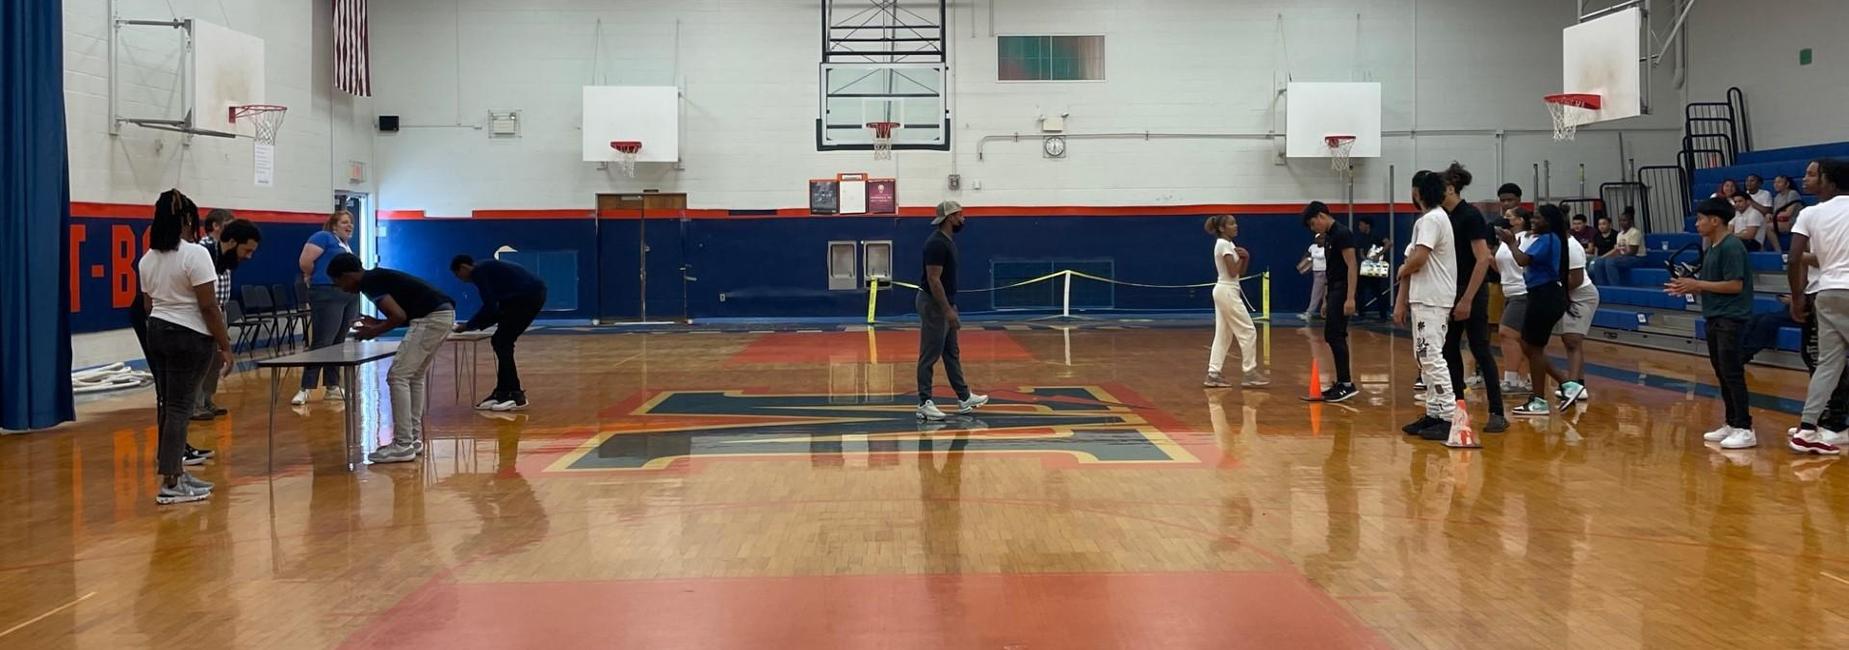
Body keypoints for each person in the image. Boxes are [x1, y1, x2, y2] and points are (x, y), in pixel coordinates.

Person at [137, 190, 234, 504]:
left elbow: (148, 305)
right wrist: (225, 345)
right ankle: (171, 481)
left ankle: (175, 472)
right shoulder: (195, 254)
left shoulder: (147, 259)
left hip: (157, 332)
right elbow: (209, 307)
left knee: (169, 404)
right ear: (188, 220)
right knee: (180, 407)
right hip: (189, 336)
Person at [327, 254, 455, 463]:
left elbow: (398, 316)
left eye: (338, 282)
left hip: (431, 319)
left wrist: (373, 331)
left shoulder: (369, 283)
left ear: (347, 275)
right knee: (413, 377)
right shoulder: (377, 277)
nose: (342, 288)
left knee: (398, 377)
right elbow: (403, 313)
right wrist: (378, 322)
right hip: (443, 315)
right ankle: (411, 440)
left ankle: (402, 445)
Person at [1668, 198, 1757, 449]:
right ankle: (1732, 422)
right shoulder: (1712, 248)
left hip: (1731, 318)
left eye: (1700, 219)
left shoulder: (1732, 246)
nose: (1697, 224)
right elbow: (1712, 285)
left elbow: (1735, 285)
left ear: (1715, 220)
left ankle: (1745, 427)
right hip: (1715, 316)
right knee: (1722, 372)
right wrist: (1687, 287)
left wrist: (1697, 284)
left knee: (1732, 372)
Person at [1396, 171, 1475, 448]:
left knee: (1431, 356)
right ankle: (1434, 412)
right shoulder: (1435, 218)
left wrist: (1402, 269)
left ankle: (1449, 415)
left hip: (1433, 297)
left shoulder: (1431, 219)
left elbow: (1419, 257)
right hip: (1427, 296)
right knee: (1424, 357)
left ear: (1417, 192)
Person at [1435, 163, 1505, 432]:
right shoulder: (1444, 217)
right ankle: (1457, 408)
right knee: (1449, 349)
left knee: (1480, 349)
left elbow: (1483, 259)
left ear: (1451, 189)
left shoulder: (1471, 215)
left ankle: (1497, 411)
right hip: (1450, 291)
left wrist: (1467, 299)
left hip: (1471, 291)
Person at [1787, 159, 1849, 454]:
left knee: (1828, 364)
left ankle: (1807, 429)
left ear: (1829, 181)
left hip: (1826, 291)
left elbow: (1794, 257)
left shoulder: (1810, 213)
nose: (1808, 178)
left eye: (1815, 174)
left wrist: (1797, 296)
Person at [915, 201, 989, 421]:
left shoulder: (947, 242)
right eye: (959, 215)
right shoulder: (937, 244)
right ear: (949, 218)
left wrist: (950, 306)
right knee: (929, 354)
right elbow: (933, 279)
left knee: (951, 353)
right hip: (933, 304)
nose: (963, 219)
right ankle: (924, 403)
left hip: (944, 303)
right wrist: (947, 310)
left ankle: (964, 397)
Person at [451, 254, 549, 411]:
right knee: (500, 341)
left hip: (528, 297)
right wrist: (472, 325)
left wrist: (467, 326)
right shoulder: (487, 268)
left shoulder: (479, 272)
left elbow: (490, 306)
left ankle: (516, 395)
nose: (461, 280)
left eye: (458, 275)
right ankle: (502, 392)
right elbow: (496, 309)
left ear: (463, 267)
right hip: (525, 296)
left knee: (502, 341)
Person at [1502, 204, 1574, 418]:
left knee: (1533, 348)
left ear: (1549, 221)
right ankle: (1566, 384)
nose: (1533, 220)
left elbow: (1522, 260)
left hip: (1545, 296)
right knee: (1528, 344)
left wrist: (1511, 243)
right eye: (1533, 217)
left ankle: (1540, 400)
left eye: (1538, 218)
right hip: (1541, 295)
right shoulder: (1547, 239)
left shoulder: (1548, 239)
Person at [191, 217, 262, 422]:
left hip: (217, 308)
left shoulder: (225, 257)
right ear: (232, 242)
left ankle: (206, 400)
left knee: (215, 360)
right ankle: (194, 405)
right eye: (247, 250)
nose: (249, 256)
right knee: (201, 359)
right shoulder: (203, 252)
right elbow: (205, 300)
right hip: (200, 311)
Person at [294, 211, 360, 405]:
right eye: (345, 222)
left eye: (351, 223)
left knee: (339, 341)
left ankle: (332, 385)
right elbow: (305, 262)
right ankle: (306, 388)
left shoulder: (345, 245)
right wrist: (314, 276)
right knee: (323, 341)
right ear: (334, 225)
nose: (350, 226)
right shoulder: (323, 237)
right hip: (327, 292)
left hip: (348, 294)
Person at [1202, 215, 1269, 389]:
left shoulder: (1229, 244)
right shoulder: (1223, 244)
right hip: (1227, 290)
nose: (1236, 226)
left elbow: (1240, 273)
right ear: (1222, 228)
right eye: (1231, 224)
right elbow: (1232, 272)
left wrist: (1246, 258)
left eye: (1235, 223)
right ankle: (1249, 372)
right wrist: (1244, 258)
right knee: (1248, 331)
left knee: (1223, 335)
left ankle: (1213, 374)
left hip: (1227, 290)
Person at [1301, 203, 1359, 402]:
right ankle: (1342, 382)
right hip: (1334, 289)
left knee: (1335, 334)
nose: (1313, 228)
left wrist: (1350, 297)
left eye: (1312, 223)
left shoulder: (1342, 234)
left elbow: (1352, 265)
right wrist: (1326, 299)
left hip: (1343, 289)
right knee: (1332, 334)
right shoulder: (1329, 237)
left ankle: (1346, 383)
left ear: (1321, 216)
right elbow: (1330, 270)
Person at [1549, 222, 1601, 409]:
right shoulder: (1553, 244)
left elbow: (1576, 280)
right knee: (1569, 340)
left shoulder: (1572, 247)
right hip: (1566, 294)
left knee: (1572, 339)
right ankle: (1578, 384)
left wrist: (1552, 290)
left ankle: (1573, 385)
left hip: (1582, 295)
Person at [1492, 207, 1536, 396]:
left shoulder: (1528, 239)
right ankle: (1530, 379)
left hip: (1523, 291)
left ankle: (1511, 380)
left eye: (1509, 216)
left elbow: (1526, 261)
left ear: (1520, 220)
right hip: (1509, 292)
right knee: (1522, 338)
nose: (1505, 219)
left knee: (1507, 333)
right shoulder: (1505, 240)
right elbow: (1501, 267)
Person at [1591, 208, 1647, 286]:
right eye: (1620, 221)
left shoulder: (1635, 232)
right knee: (1598, 262)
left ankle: (1615, 286)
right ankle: (1601, 286)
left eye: (1624, 220)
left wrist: (1617, 257)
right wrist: (1603, 257)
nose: (1622, 223)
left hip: (1637, 258)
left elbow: (1632, 252)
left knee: (1610, 262)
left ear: (1630, 221)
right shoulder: (1620, 234)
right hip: (1623, 258)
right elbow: (1617, 250)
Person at [1355, 217, 1392, 320]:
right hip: (1365, 266)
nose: (1360, 227)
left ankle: (1383, 315)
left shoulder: (1376, 235)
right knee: (1360, 290)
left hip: (1375, 267)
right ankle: (1361, 313)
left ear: (1367, 225)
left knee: (1377, 290)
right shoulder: (1361, 238)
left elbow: (1388, 243)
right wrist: (1365, 259)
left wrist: (1378, 255)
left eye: (1361, 224)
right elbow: (1361, 252)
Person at [1772, 174, 1805, 247]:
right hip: (1781, 221)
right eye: (1774, 182)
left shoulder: (1792, 193)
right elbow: (1775, 213)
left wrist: (1774, 216)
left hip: (1794, 221)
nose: (1776, 184)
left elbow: (1788, 213)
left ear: (1787, 184)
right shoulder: (1777, 197)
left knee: (1768, 227)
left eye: (1779, 182)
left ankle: (1778, 250)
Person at [1301, 233, 1328, 320]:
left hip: (1326, 272)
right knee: (1317, 293)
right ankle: (1312, 313)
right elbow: (1307, 255)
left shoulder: (1327, 247)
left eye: (1322, 238)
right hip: (1316, 273)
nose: (1320, 240)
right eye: (1319, 238)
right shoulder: (1312, 247)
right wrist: (1304, 263)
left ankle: (1314, 313)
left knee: (1323, 294)